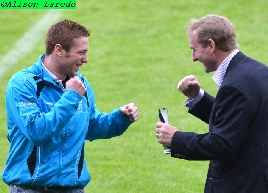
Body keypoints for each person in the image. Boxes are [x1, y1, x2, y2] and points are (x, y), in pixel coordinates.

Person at [2, 19, 139, 193]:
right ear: (59, 50)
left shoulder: (80, 84)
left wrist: (120, 118)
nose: (86, 59)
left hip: (72, 188)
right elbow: (36, 131)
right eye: (80, 53)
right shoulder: (23, 84)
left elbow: (90, 127)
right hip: (30, 188)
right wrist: (71, 97)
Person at [156, 14, 268, 192]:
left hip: (241, 185)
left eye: (195, 49)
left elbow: (222, 144)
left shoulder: (234, 86)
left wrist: (176, 139)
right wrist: (197, 97)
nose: (194, 57)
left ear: (211, 45)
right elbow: (237, 122)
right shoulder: (259, 71)